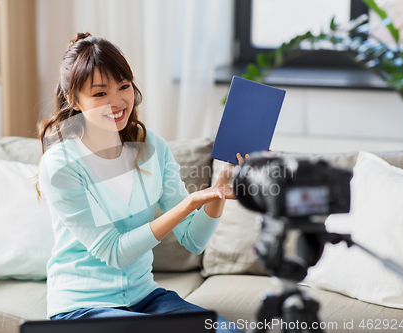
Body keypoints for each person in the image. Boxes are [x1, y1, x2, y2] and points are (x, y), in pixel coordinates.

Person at [36, 32, 247, 333]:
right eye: (99, 94)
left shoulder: (153, 148)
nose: (117, 102)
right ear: (74, 100)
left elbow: (194, 240)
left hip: (145, 298)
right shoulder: (60, 165)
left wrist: (222, 184)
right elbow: (115, 252)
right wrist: (190, 202)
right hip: (83, 308)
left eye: (123, 86)